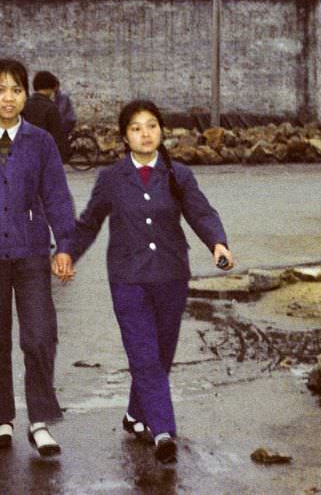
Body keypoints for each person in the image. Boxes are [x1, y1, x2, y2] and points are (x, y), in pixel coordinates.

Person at [65, 99, 234, 464]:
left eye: (152, 126)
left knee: (161, 355)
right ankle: (162, 431)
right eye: (136, 128)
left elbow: (200, 211)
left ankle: (134, 415)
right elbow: (89, 222)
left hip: (171, 275)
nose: (145, 134)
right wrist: (67, 253)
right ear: (124, 137)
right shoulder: (111, 178)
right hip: (128, 278)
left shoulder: (178, 175)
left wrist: (218, 243)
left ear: (161, 131)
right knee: (143, 352)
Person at [0, 58, 76, 457]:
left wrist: (64, 245)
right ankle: (0, 418)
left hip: (30, 252)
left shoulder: (41, 141)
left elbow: (57, 196)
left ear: (26, 94)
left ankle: (41, 420)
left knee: (39, 335)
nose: (8, 98)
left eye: (15, 89)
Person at [22, 70, 70, 162]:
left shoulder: (24, 105)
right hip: (44, 156)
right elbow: (56, 135)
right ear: (50, 88)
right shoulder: (51, 108)